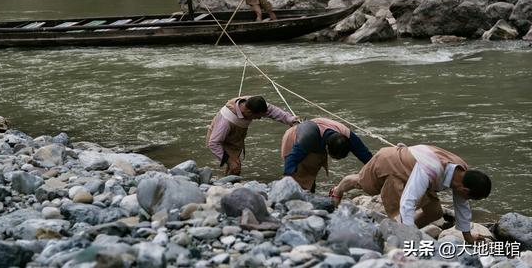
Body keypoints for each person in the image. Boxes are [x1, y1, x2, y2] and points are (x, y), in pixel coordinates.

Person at [330, 144, 491, 243]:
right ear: (466, 190)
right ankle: (338, 190)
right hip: (390, 165)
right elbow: (407, 203)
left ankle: (399, 232)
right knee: (363, 184)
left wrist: (468, 237)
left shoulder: (461, 172)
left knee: (435, 211)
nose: (466, 199)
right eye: (469, 197)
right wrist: (411, 241)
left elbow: (462, 205)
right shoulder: (431, 168)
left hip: (412, 174)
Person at [206, 95, 299, 175]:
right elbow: (213, 143)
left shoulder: (252, 102)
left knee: (236, 166)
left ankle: (230, 183)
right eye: (258, 116)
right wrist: (230, 161)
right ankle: (227, 187)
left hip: (235, 138)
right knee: (235, 166)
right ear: (248, 112)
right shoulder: (225, 122)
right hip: (220, 140)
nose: (259, 118)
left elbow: (271, 111)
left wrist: (289, 119)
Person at [280, 118, 373, 192]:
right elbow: (292, 159)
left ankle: (311, 194)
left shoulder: (348, 136)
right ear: (327, 149)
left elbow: (365, 155)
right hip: (295, 138)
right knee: (300, 175)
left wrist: (376, 172)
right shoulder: (307, 139)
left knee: (312, 171)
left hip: (317, 141)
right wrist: (286, 181)